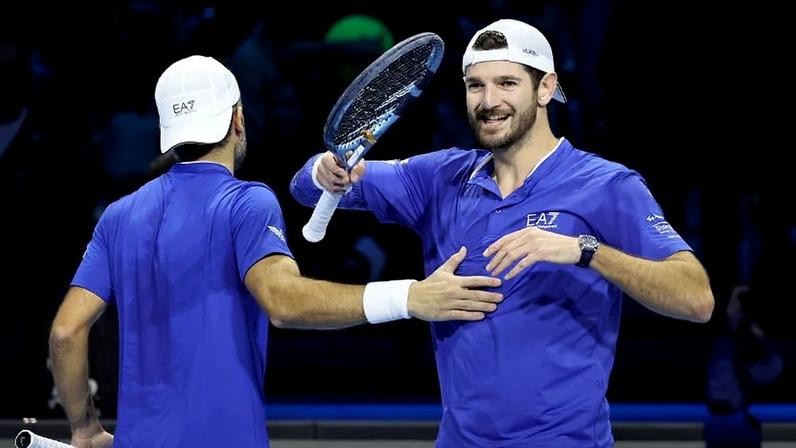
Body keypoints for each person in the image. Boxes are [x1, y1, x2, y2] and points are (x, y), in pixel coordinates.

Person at [290, 19, 715, 447]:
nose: (489, 102)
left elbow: (696, 299)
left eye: (507, 83)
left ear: (545, 89)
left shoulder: (607, 185)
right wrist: (326, 170)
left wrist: (585, 250)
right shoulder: (439, 178)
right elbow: (306, 187)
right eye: (476, 86)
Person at [48, 55, 504, 448]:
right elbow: (282, 303)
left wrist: (85, 429)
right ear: (237, 120)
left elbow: (66, 332)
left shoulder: (119, 215)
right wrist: (409, 297)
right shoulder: (246, 201)